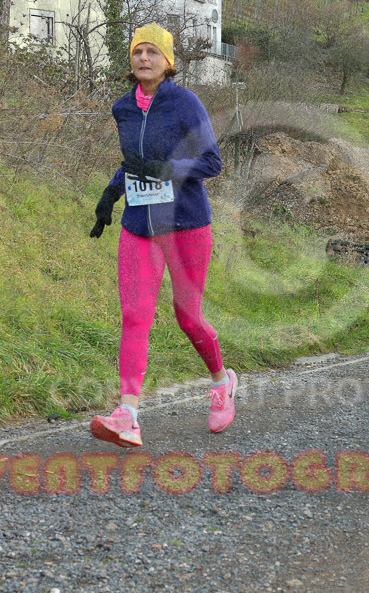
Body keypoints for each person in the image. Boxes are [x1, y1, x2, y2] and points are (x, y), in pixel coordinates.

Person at [87, 23, 235, 447]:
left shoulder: (186, 104)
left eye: (153, 52)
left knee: (187, 316)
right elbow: (132, 162)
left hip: (185, 224)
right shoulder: (123, 108)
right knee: (135, 316)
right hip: (139, 225)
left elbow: (211, 162)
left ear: (168, 62)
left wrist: (169, 171)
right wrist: (110, 194)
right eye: (138, 52)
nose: (144, 59)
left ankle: (222, 382)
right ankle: (127, 414)